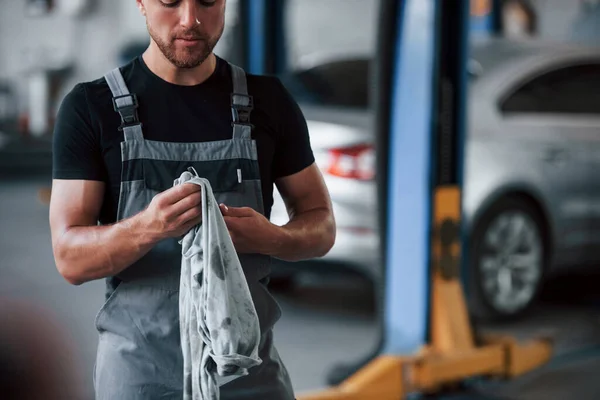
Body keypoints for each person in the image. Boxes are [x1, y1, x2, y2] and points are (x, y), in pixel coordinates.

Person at [49, 0, 336, 399]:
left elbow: (321, 224)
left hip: (247, 375)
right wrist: (150, 226)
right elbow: (69, 258)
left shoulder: (268, 102)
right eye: (170, 2)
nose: (190, 20)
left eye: (207, 1)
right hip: (140, 376)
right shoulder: (91, 108)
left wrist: (270, 237)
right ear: (142, 4)